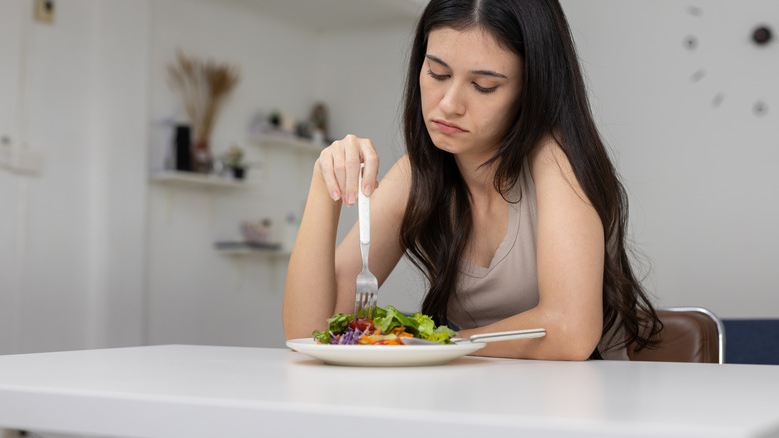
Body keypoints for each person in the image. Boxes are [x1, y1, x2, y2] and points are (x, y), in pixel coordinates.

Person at [283, 0, 661, 360]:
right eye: (437, 73)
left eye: (483, 85)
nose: (449, 103)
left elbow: (568, 332)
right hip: (471, 398)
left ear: (531, 89)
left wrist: (423, 344)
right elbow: (308, 332)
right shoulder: (418, 173)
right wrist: (323, 187)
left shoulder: (554, 159)